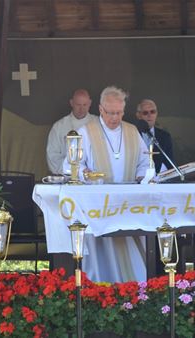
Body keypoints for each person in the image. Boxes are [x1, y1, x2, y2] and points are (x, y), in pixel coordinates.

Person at [63, 85, 149, 283]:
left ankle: (134, 289)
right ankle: (102, 289)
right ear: (100, 109)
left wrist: (141, 176)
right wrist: (83, 173)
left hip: (128, 204)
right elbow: (69, 165)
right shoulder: (85, 132)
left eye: (119, 113)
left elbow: (145, 162)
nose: (114, 118)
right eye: (110, 113)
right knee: (103, 255)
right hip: (98, 206)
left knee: (132, 251)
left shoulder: (132, 131)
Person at [46, 89, 95, 175]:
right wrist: (73, 171)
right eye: (78, 105)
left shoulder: (98, 124)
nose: (81, 109)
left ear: (90, 103)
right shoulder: (59, 126)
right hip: (67, 177)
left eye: (85, 105)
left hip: (93, 176)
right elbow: (52, 155)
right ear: (71, 103)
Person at [136, 99, 174, 173]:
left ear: (156, 114)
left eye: (152, 112)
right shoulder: (131, 134)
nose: (149, 115)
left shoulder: (165, 136)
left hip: (158, 179)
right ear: (138, 115)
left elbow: (169, 163)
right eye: (145, 113)